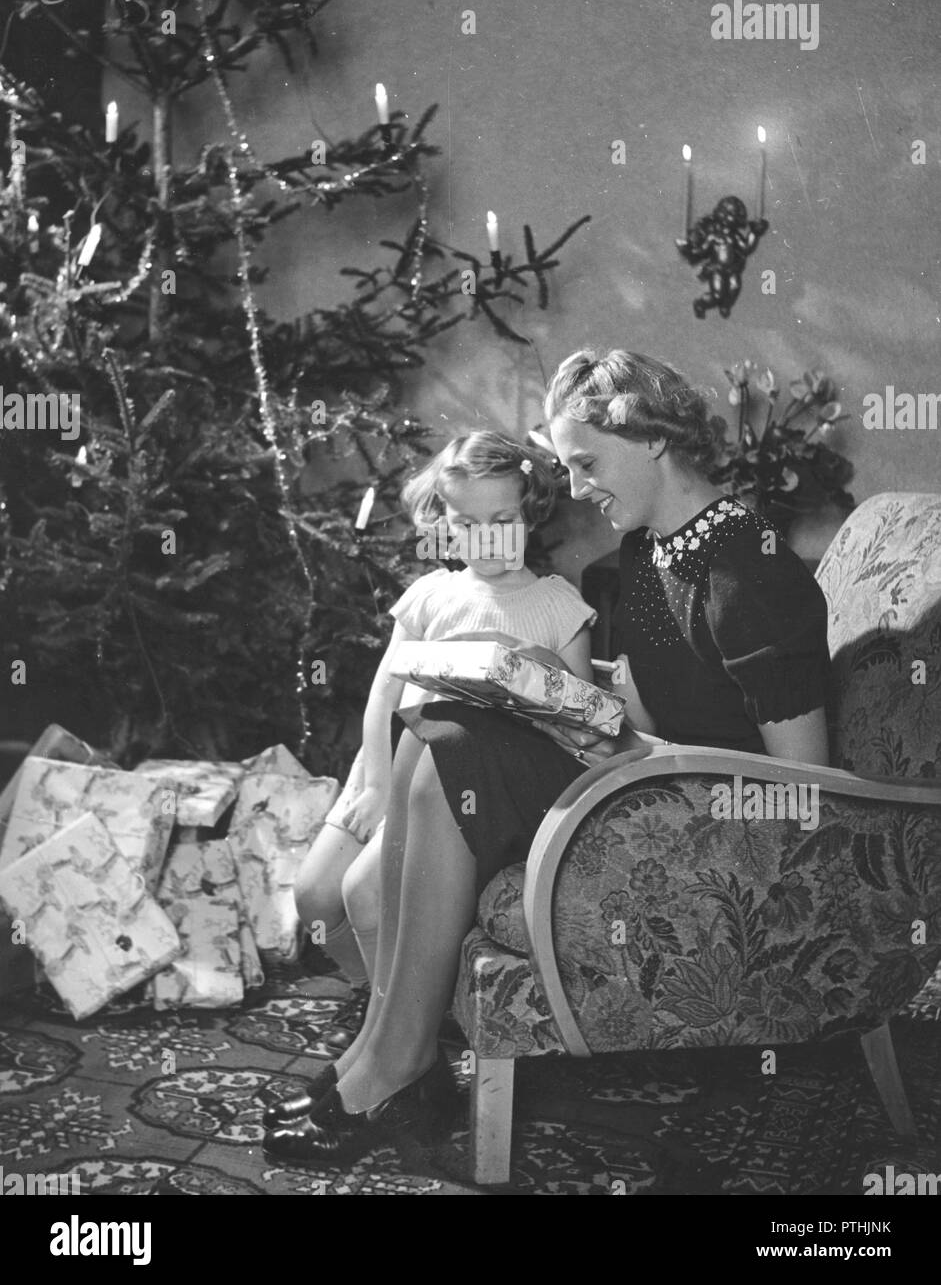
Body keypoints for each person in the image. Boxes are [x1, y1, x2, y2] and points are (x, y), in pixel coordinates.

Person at [262, 347, 831, 1165]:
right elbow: (632, 705)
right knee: (445, 729)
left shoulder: (748, 566)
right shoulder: (648, 551)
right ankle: (388, 1055)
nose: (573, 488)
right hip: (640, 776)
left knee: (458, 744)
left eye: (586, 462)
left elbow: (801, 783)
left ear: (651, 440)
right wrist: (548, 701)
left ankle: (395, 1064)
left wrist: (632, 752)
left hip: (702, 814)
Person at [267, 428, 598, 1128]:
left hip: (464, 780)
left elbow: (575, 714)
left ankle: (404, 1048)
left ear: (530, 511)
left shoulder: (557, 603)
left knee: (362, 893)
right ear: (442, 521)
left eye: (501, 521)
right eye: (466, 523)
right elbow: (384, 699)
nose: (484, 540)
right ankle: (395, 1023)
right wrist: (379, 788)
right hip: (391, 763)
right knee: (314, 895)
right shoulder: (428, 593)